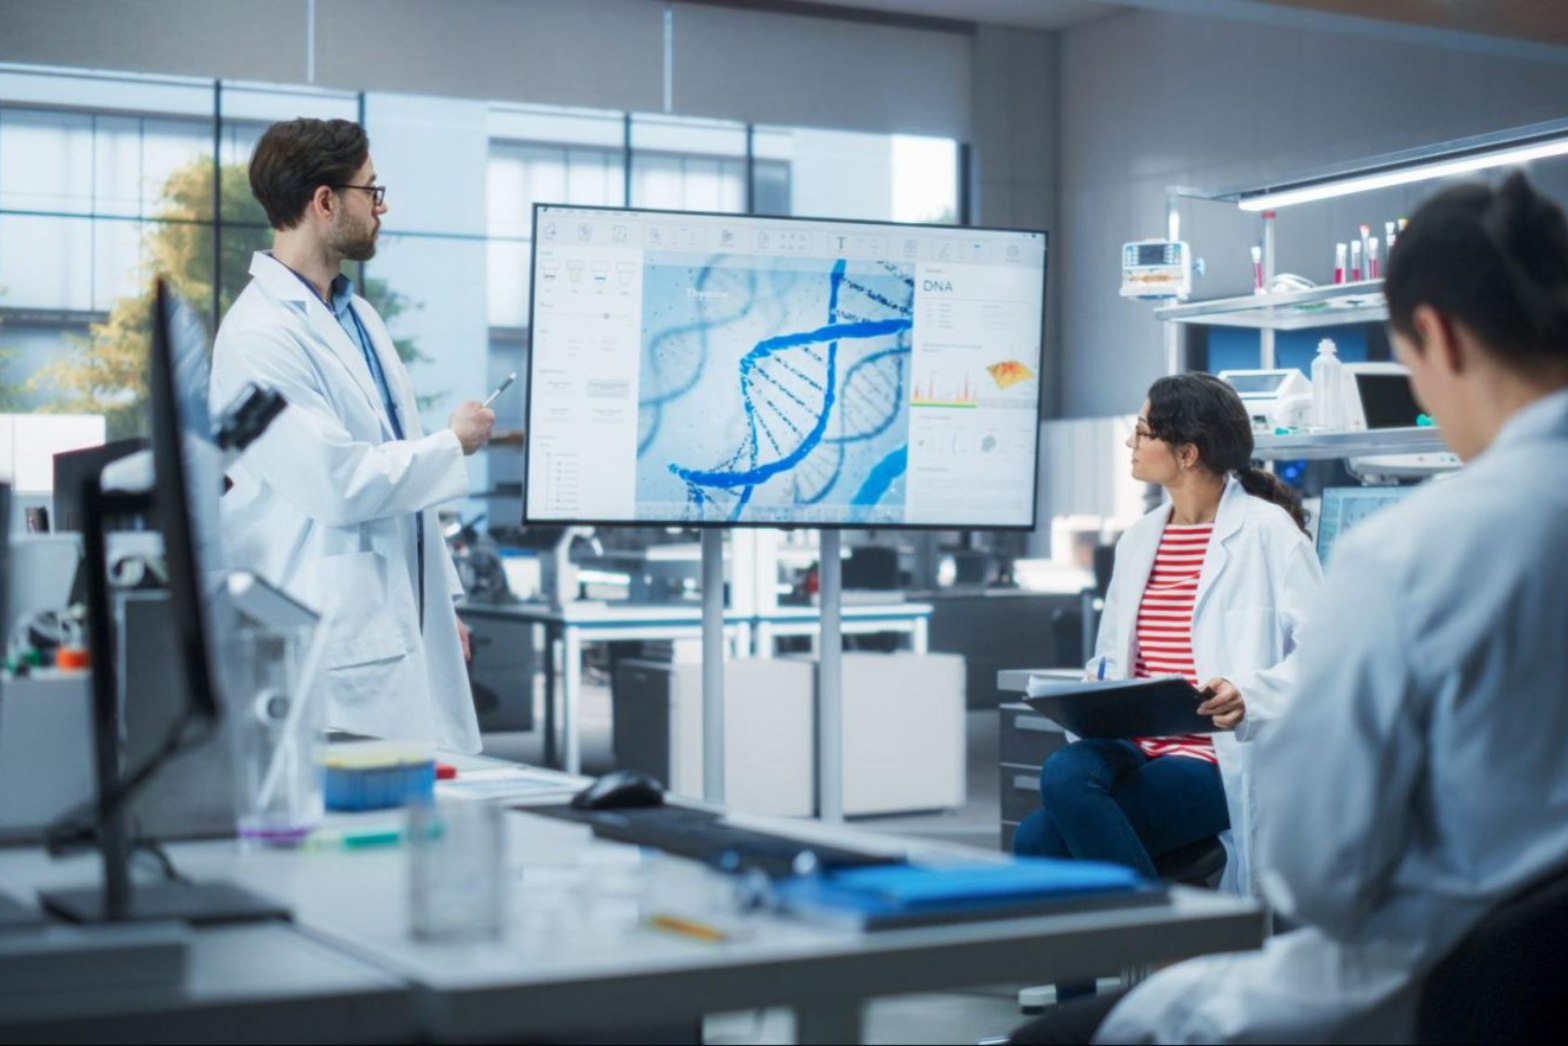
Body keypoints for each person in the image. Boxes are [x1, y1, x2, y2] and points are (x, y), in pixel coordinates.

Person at [1014, 172, 1568, 1044]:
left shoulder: (1413, 552)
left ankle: (1148, 954)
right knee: (1055, 808)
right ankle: (1112, 962)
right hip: (1527, 971)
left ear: (1435, 336)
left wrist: (1252, 696)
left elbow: (1321, 871)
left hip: (1446, 984)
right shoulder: (1143, 538)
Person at [210, 118, 495, 752]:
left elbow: (398, 468)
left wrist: (440, 602)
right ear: (325, 201)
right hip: (335, 628)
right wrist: (452, 443)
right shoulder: (259, 335)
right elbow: (335, 482)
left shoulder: (357, 315)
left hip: (401, 614)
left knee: (426, 798)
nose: (381, 206)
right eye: (371, 190)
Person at [1012, 373, 1322, 906]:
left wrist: (1251, 694)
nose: (1129, 442)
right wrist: (1094, 687)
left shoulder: (1269, 532)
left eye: (1142, 431)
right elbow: (1113, 656)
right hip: (1134, 743)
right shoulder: (1139, 540)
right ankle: (1154, 932)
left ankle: (1143, 938)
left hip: (1214, 757)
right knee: (1065, 770)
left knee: (1038, 840)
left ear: (1187, 453)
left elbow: (1328, 654)